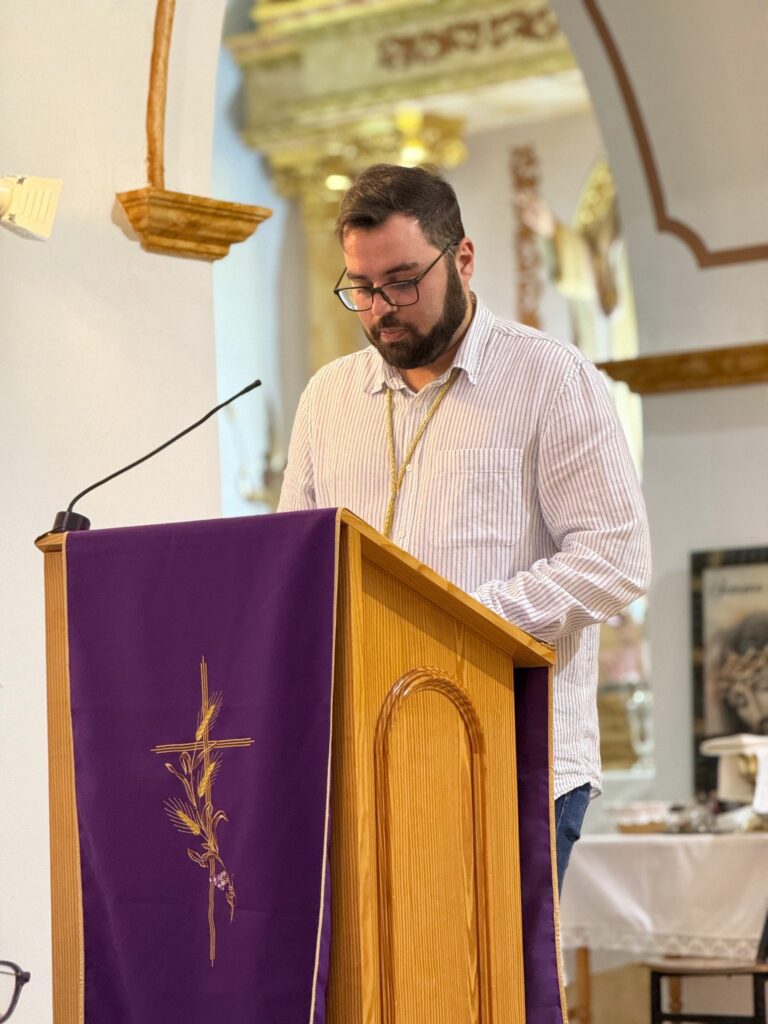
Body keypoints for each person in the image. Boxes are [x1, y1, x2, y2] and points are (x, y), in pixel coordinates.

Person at [278, 163, 651, 888]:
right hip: (370, 753)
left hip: (511, 754)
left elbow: (615, 556)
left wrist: (463, 621)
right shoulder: (328, 398)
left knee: (495, 963)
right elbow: (298, 563)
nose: (381, 308)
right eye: (362, 287)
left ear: (464, 258)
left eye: (402, 282)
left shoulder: (549, 377)